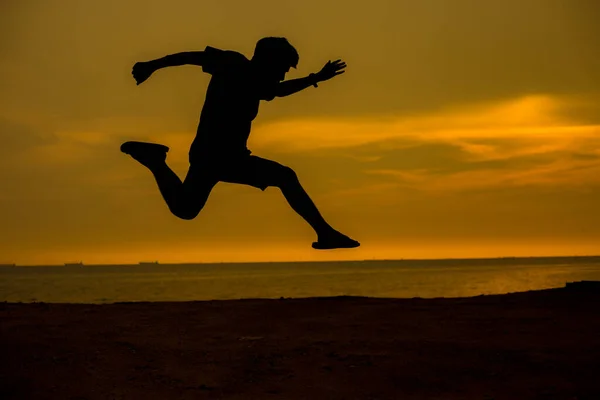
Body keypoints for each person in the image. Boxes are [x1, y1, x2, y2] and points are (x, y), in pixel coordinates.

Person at [121, 37, 359, 250]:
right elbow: (191, 57)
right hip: (220, 157)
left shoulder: (249, 75)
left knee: (185, 208)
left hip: (214, 155)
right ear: (269, 61)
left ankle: (155, 161)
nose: (283, 74)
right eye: (283, 68)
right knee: (285, 176)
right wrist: (152, 65)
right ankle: (325, 233)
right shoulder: (234, 65)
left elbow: (276, 89)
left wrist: (153, 65)